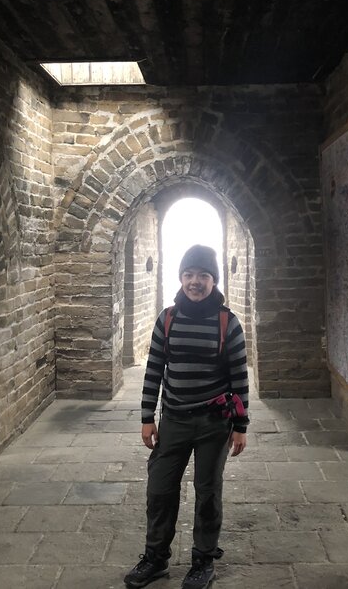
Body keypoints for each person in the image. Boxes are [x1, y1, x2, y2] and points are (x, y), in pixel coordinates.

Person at [124, 244, 249, 589]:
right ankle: (155, 558)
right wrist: (147, 417)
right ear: (181, 278)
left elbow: (239, 378)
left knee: (208, 492)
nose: (196, 281)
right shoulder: (168, 319)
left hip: (213, 424)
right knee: (160, 490)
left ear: (213, 280)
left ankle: (203, 560)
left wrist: (240, 425)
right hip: (174, 421)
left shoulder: (227, 323)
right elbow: (153, 370)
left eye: (203, 275)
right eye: (189, 274)